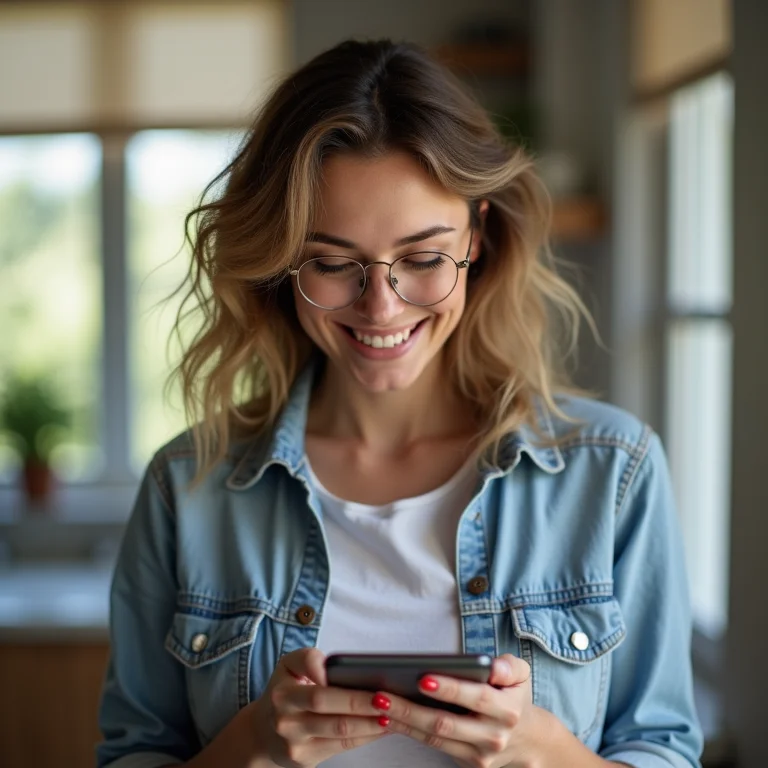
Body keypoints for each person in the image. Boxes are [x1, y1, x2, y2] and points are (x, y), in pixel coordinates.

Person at [97, 39, 703, 768]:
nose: (381, 307)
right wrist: (250, 747)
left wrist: (542, 749)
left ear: (477, 236)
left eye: (422, 258)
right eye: (330, 262)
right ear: (283, 262)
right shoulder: (186, 487)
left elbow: (663, 747)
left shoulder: (613, 473)